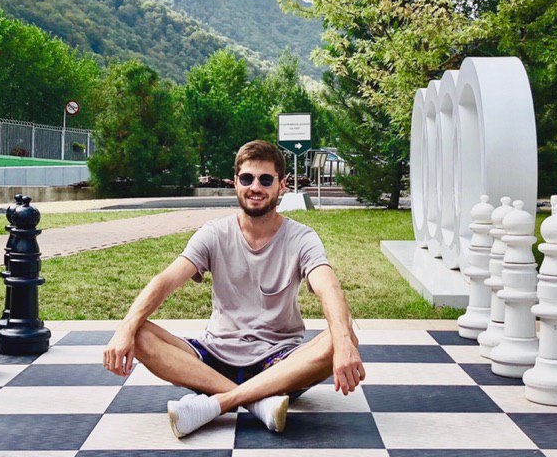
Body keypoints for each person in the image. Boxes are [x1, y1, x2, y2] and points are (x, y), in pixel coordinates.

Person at [103, 139, 365, 437]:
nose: (255, 187)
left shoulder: (301, 237)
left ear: (282, 185)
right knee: (137, 332)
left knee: (342, 336)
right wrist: (124, 328)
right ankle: (259, 403)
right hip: (214, 359)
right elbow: (165, 281)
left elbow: (329, 288)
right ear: (236, 182)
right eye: (247, 178)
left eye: (265, 180)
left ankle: (220, 402)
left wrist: (344, 344)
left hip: (279, 363)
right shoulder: (214, 233)